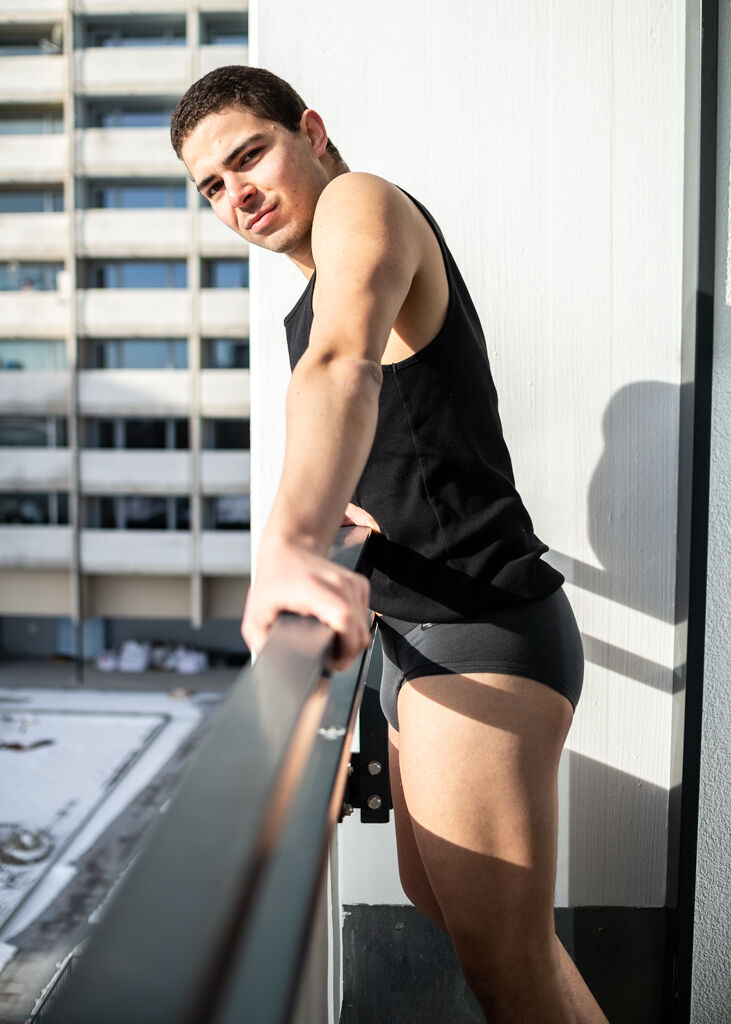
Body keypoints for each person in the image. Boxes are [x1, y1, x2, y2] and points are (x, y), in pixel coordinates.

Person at [171, 66, 608, 1024]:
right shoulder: (315, 289)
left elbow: (344, 369)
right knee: (444, 908)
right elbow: (388, 414)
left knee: (507, 970)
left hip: (478, 629)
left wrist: (285, 548)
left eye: (249, 155)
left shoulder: (362, 204)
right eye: (210, 186)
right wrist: (349, 515)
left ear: (312, 131)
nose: (235, 193)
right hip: (413, 635)